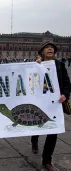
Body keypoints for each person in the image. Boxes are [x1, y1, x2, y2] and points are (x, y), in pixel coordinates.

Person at [31, 41, 71, 171]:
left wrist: (65, 94)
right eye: (47, 47)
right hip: (40, 102)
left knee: (53, 131)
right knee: (37, 126)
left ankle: (47, 161)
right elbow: (29, 81)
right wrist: (35, 67)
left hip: (55, 103)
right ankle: (34, 141)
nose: (50, 49)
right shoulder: (36, 65)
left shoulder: (60, 65)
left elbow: (66, 82)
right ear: (42, 52)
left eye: (52, 48)